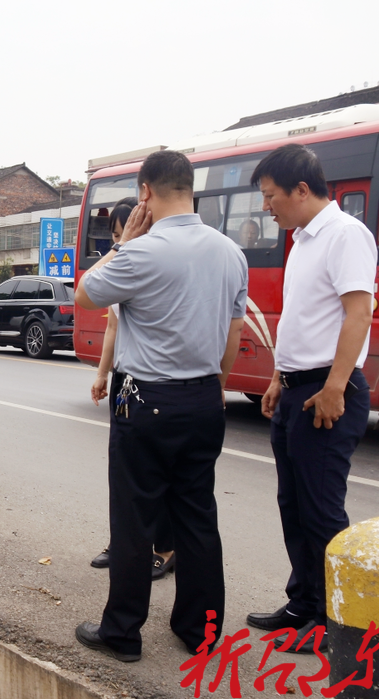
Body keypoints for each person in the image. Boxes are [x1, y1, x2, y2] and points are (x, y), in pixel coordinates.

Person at [73, 150, 248, 662]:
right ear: (190, 187)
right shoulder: (229, 252)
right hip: (204, 397)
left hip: (146, 400)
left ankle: (122, 633)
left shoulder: (142, 251)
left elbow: (85, 294)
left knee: (134, 518)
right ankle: (201, 630)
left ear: (145, 193)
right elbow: (234, 332)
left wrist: (124, 242)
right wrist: (215, 384)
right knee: (197, 516)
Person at [246, 144, 376, 653]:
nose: (266, 206)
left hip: (328, 390)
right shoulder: (301, 240)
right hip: (298, 386)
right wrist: (279, 376)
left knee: (322, 511)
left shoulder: (345, 235)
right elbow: (303, 318)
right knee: (293, 504)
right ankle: (303, 601)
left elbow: (357, 314)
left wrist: (336, 387)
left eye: (271, 195)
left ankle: (334, 620)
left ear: (302, 189)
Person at [89, 197, 176, 582]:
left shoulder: (153, 264)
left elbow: (83, 289)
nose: (118, 240)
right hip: (127, 381)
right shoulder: (124, 266)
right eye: (114, 234)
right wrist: (102, 374)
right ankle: (124, 542)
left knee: (160, 475)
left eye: (124, 230)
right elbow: (112, 327)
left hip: (158, 383)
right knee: (123, 474)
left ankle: (165, 547)